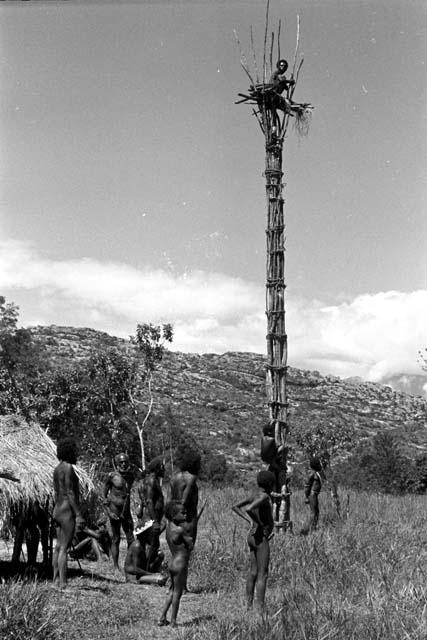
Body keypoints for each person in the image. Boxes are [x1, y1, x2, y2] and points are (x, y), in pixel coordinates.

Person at [232, 470, 275, 613]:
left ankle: (248, 607)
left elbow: (235, 506)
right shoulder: (264, 496)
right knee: (263, 574)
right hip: (260, 538)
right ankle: (260, 611)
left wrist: (250, 521)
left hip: (251, 536)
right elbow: (250, 509)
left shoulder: (254, 494)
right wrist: (258, 523)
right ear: (270, 484)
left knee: (253, 572)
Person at [52, 437, 85, 588]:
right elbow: (71, 493)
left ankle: (55, 581)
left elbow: (57, 491)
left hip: (57, 509)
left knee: (58, 547)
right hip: (66, 511)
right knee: (64, 548)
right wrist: (78, 514)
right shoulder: (68, 468)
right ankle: (63, 584)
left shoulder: (56, 469)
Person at [158, 500, 194, 628]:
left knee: (171, 591)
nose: (185, 515)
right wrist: (189, 538)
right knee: (177, 593)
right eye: (182, 513)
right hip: (180, 564)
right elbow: (190, 545)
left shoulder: (169, 527)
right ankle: (173, 622)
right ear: (174, 516)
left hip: (172, 562)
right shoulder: (180, 529)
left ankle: (162, 617)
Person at [103, 452, 135, 571]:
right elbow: (104, 495)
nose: (123, 464)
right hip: (114, 510)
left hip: (126, 511)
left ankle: (129, 565)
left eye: (125, 462)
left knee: (131, 538)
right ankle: (116, 566)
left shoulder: (130, 476)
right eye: (121, 462)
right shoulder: (112, 476)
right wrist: (109, 512)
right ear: (117, 463)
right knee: (116, 538)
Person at [136, 456, 165, 570]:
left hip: (150, 519)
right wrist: (155, 521)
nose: (164, 470)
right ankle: (144, 570)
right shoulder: (151, 481)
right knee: (153, 546)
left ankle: (145, 568)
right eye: (162, 467)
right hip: (150, 519)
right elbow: (149, 501)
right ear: (157, 468)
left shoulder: (153, 480)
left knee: (152, 545)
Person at [168, 448, 201, 544]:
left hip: (173, 522)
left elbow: (168, 501)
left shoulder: (174, 477)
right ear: (194, 464)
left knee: (176, 553)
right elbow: (184, 501)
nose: (200, 466)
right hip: (187, 521)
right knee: (185, 554)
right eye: (199, 463)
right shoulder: (191, 478)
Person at [124, 520, 166, 586]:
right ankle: (150, 578)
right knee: (161, 579)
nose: (152, 534)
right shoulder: (137, 546)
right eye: (150, 532)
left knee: (160, 555)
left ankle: (152, 576)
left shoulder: (143, 544)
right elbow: (136, 569)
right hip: (133, 576)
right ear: (145, 534)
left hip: (141, 573)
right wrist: (151, 574)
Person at [303, 457, 323, 532]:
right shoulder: (312, 473)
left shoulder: (315, 473)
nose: (320, 465)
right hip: (312, 495)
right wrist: (306, 497)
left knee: (316, 512)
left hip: (314, 495)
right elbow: (307, 485)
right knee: (314, 512)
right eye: (319, 463)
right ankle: (311, 529)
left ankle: (314, 527)